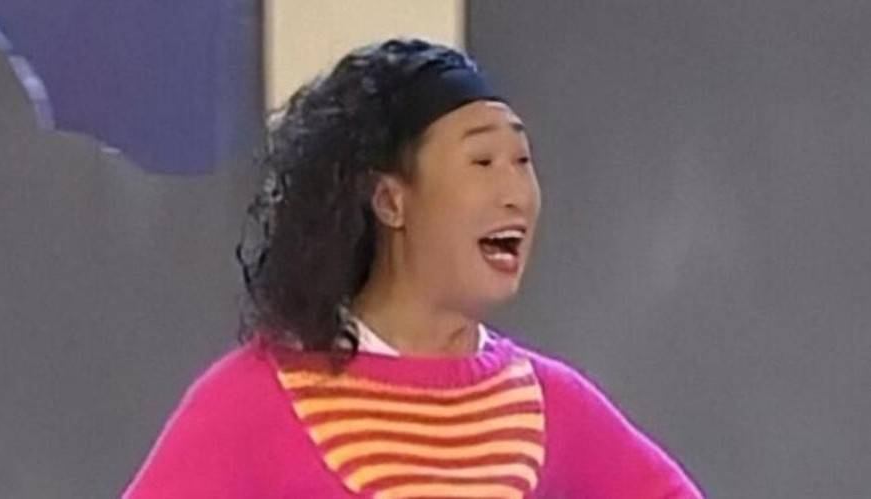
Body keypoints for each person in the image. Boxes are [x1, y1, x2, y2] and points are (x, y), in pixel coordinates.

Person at [123, 38, 703, 498]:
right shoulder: (255, 398)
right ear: (390, 201)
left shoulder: (551, 404)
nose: (515, 194)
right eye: (482, 161)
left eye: (521, 160)